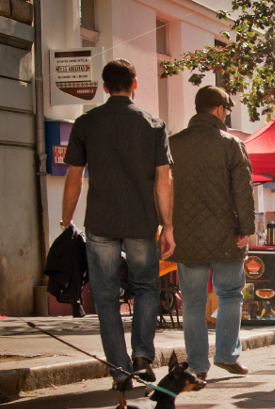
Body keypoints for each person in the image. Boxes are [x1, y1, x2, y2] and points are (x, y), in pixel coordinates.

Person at [61, 59, 174, 390]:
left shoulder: (86, 123)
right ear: (134, 84)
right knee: (147, 287)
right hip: (141, 221)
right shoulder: (153, 125)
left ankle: (119, 369)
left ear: (105, 86)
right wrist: (167, 225)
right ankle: (142, 356)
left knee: (105, 294)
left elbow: (73, 178)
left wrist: (66, 219)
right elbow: (163, 180)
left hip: (100, 221)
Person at [168, 85, 255, 380]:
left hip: (186, 236)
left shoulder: (173, 144)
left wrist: (166, 225)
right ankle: (227, 355)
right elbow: (242, 190)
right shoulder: (230, 144)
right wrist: (246, 228)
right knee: (230, 293)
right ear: (219, 109)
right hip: (225, 236)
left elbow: (161, 188)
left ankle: (196, 365)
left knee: (192, 300)